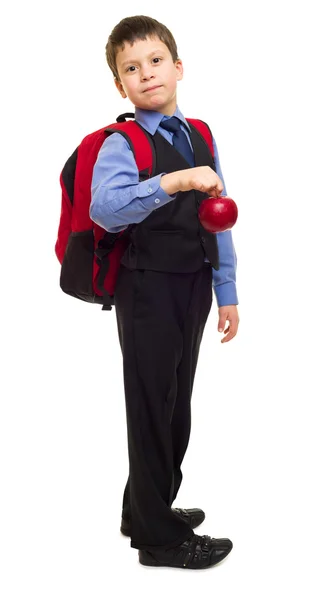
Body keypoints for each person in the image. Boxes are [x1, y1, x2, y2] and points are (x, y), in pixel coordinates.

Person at [90, 15, 239, 569]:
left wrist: (226, 289)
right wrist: (174, 181)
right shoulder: (122, 143)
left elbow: (216, 216)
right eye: (131, 68)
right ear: (120, 85)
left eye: (155, 61)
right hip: (147, 287)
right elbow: (103, 209)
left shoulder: (199, 134)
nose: (146, 73)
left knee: (176, 404)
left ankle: (145, 508)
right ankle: (158, 541)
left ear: (177, 67)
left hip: (194, 282)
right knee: (153, 405)